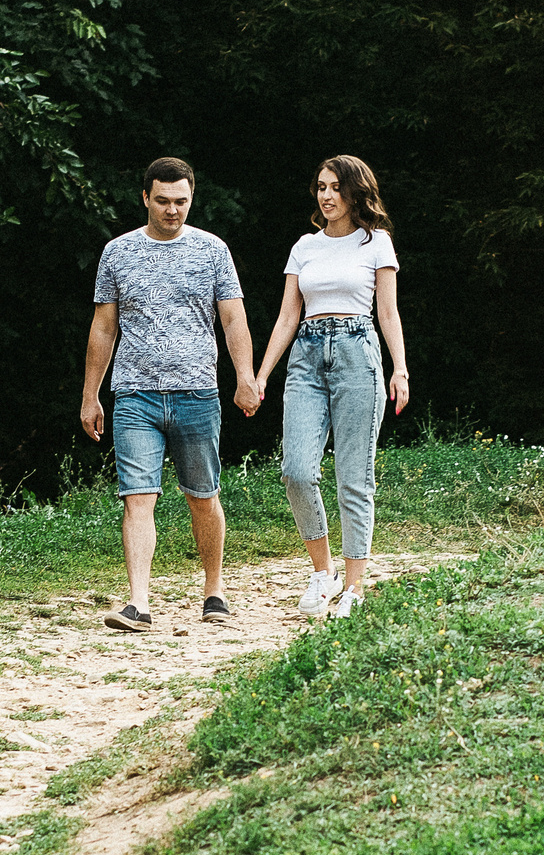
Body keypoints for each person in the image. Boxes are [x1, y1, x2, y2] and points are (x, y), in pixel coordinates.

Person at [81, 157, 261, 632]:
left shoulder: (212, 250)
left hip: (197, 392)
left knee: (203, 497)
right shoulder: (118, 252)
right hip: (134, 393)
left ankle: (214, 590)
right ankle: (138, 603)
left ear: (191, 198)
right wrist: (90, 395)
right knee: (137, 498)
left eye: (181, 201)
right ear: (145, 197)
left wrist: (245, 376)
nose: (172, 210)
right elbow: (103, 327)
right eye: (162, 201)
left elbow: (233, 319)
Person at [249, 155, 408, 619]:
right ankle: (324, 573)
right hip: (306, 357)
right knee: (297, 471)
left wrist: (399, 368)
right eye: (321, 187)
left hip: (358, 354)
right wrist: (262, 374)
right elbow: (287, 316)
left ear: (356, 192)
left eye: (336, 187)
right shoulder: (305, 246)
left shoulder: (376, 243)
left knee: (353, 478)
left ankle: (354, 586)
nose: (326, 195)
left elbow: (388, 312)